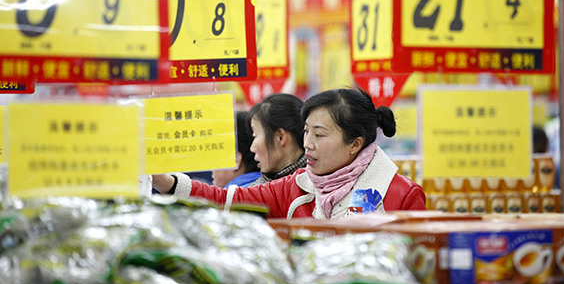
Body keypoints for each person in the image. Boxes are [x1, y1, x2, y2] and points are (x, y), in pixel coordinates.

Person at [152, 88, 426, 219]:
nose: (308, 143)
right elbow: (226, 199)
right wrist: (166, 182)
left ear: (355, 143)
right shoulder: (294, 186)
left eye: (319, 135)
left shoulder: (402, 195)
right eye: (306, 131)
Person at [155, 93, 306, 196]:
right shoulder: (262, 189)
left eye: (256, 135)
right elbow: (221, 198)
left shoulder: (319, 186)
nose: (252, 148)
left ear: (280, 137)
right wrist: (166, 182)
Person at [211, 111, 260, 188]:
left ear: (235, 160)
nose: (211, 167)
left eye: (215, 156)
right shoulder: (269, 188)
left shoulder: (233, 197)